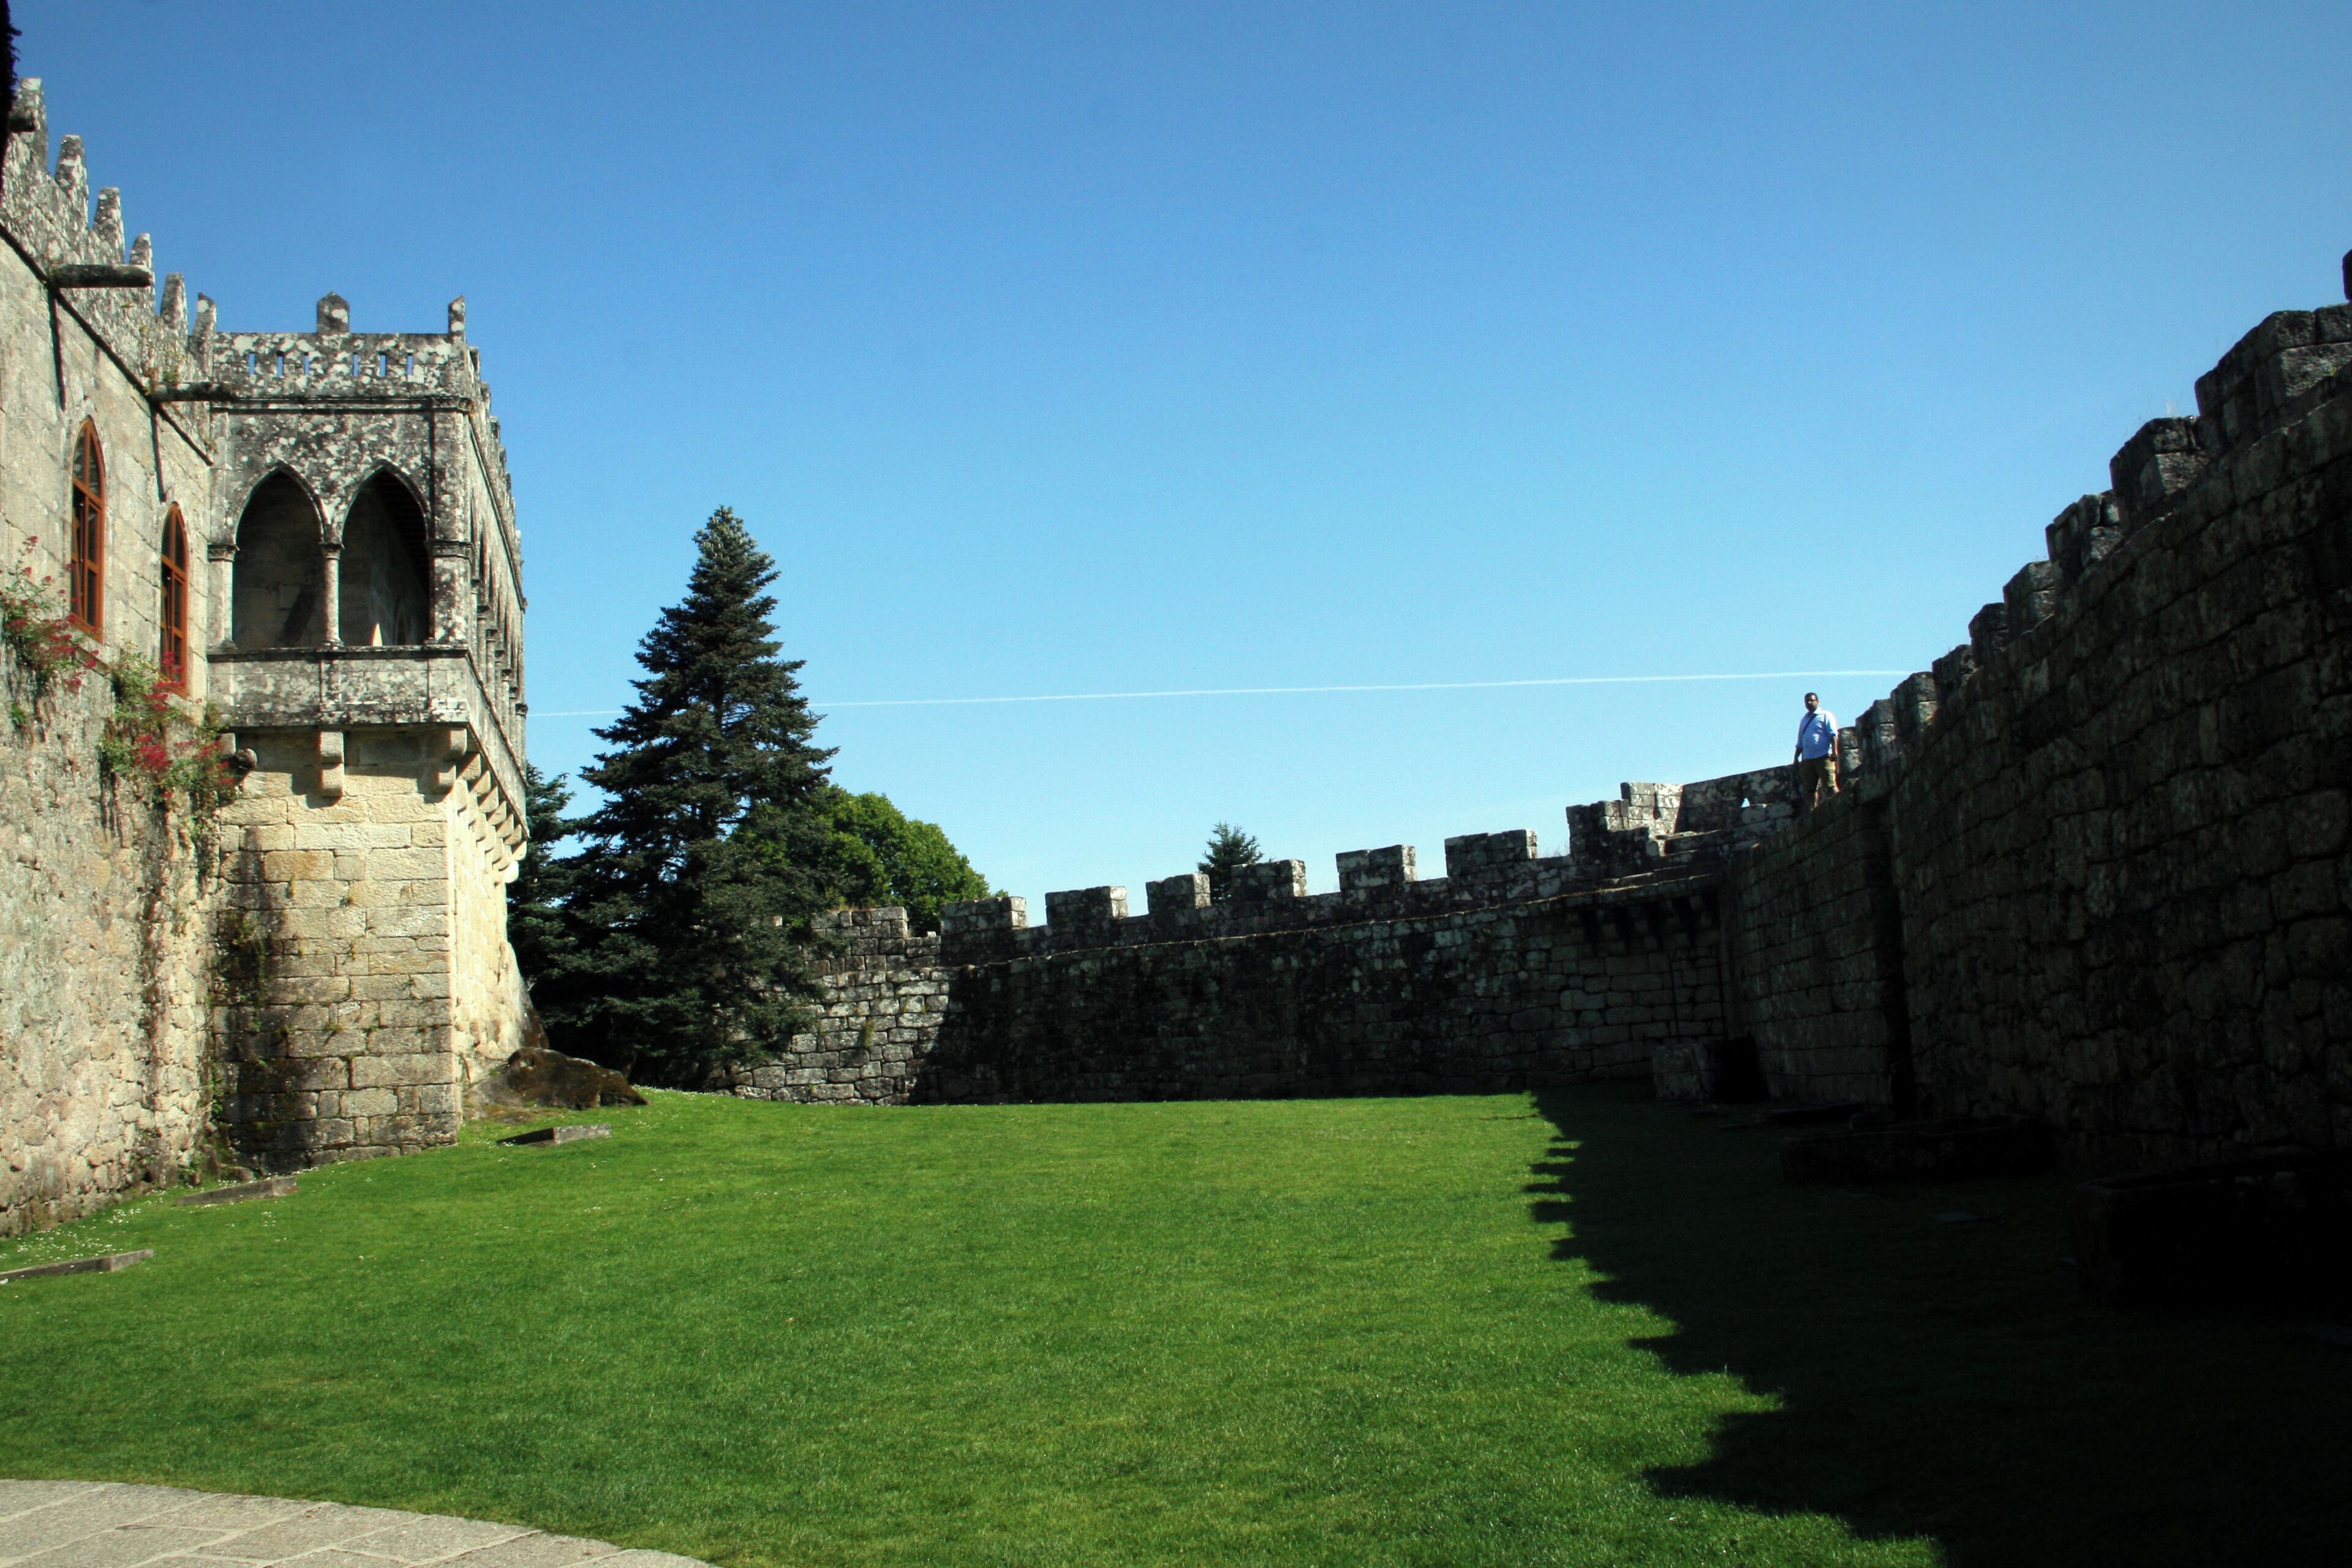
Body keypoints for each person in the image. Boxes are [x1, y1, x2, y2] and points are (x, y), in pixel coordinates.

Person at [1793, 692, 1839, 811]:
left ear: (1817, 702)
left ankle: (1840, 805)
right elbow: (1800, 741)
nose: (1809, 703)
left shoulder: (1825, 715)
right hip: (1808, 759)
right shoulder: (1804, 720)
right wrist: (1796, 758)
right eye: (1807, 701)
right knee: (1810, 789)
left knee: (1829, 785)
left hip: (1823, 756)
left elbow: (1833, 734)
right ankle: (1812, 812)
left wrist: (1834, 752)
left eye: (1812, 700)